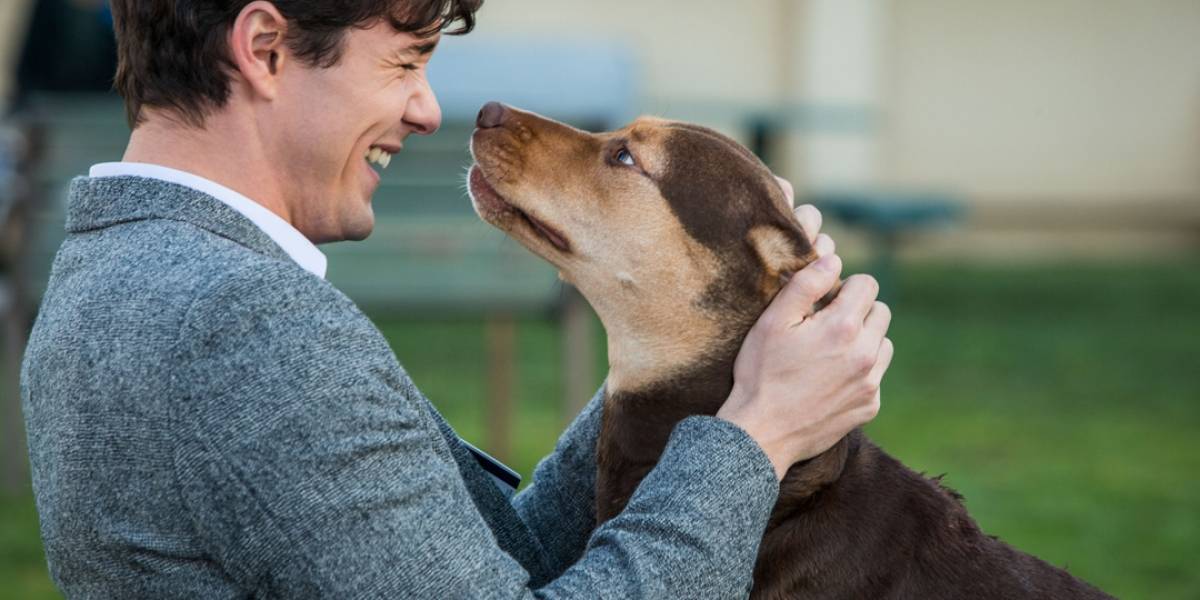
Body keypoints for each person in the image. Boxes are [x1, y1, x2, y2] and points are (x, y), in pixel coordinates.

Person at [20, 1, 893, 597]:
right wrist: (758, 437)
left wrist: (697, 332)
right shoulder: (239, 326)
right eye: (404, 62)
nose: (428, 108)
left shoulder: (122, 271)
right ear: (264, 48)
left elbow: (499, 567)